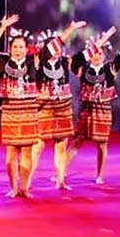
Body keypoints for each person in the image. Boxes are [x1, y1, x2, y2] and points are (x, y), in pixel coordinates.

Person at [65, 20, 120, 184]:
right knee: (77, 141)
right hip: (86, 109)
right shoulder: (82, 69)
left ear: (104, 55)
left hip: (103, 111)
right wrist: (104, 37)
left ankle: (100, 175)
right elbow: (75, 61)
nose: (97, 55)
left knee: (102, 144)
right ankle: (61, 171)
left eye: (100, 53)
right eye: (94, 53)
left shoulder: (110, 68)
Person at [0, 15, 41, 198]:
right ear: (10, 49)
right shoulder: (2, 62)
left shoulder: (34, 62)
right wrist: (3, 28)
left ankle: (24, 187)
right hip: (10, 111)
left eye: (21, 47)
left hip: (29, 111)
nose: (18, 50)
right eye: (15, 47)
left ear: (27, 49)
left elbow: (56, 44)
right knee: (11, 154)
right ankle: (14, 188)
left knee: (27, 152)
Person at [32, 21, 87, 190]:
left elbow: (87, 54)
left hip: (62, 107)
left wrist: (105, 38)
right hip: (44, 107)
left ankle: (61, 180)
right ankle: (27, 179)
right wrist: (72, 28)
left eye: (59, 48)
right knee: (38, 145)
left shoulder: (64, 62)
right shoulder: (41, 61)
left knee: (61, 144)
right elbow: (57, 43)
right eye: (54, 47)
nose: (57, 50)